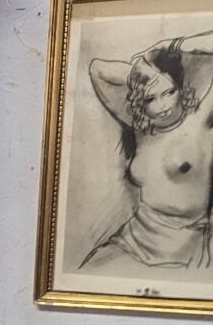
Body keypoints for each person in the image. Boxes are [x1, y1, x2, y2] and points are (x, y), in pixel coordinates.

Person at [81, 30, 213, 271]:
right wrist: (143, 67)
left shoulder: (200, 118)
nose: (162, 106)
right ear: (140, 101)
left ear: (180, 88)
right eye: (151, 99)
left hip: (183, 251)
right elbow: (97, 69)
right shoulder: (142, 127)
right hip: (132, 239)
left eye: (169, 92)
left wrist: (168, 46)